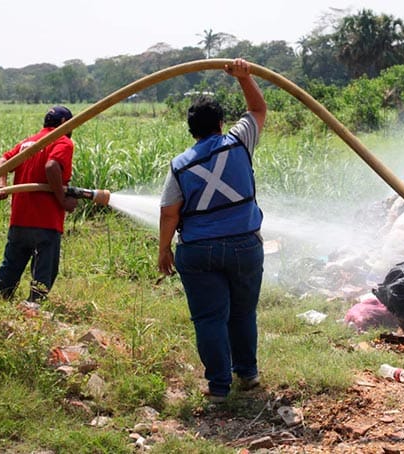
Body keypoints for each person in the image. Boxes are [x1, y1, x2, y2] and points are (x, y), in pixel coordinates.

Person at [158, 58, 267, 403]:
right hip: (245, 247)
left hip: (198, 251)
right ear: (222, 123)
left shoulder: (180, 165)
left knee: (209, 318)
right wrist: (244, 77)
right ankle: (247, 374)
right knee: (242, 312)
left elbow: (169, 213)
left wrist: (164, 250)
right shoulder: (238, 141)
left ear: (191, 130)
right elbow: (258, 108)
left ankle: (219, 388)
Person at [0, 106, 77, 303]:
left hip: (20, 218)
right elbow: (51, 166)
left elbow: (3, 160)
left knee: (11, 266)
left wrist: (2, 186)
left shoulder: (29, 142)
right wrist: (63, 200)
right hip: (45, 221)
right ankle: (33, 309)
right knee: (44, 272)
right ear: (65, 123)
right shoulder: (63, 141)